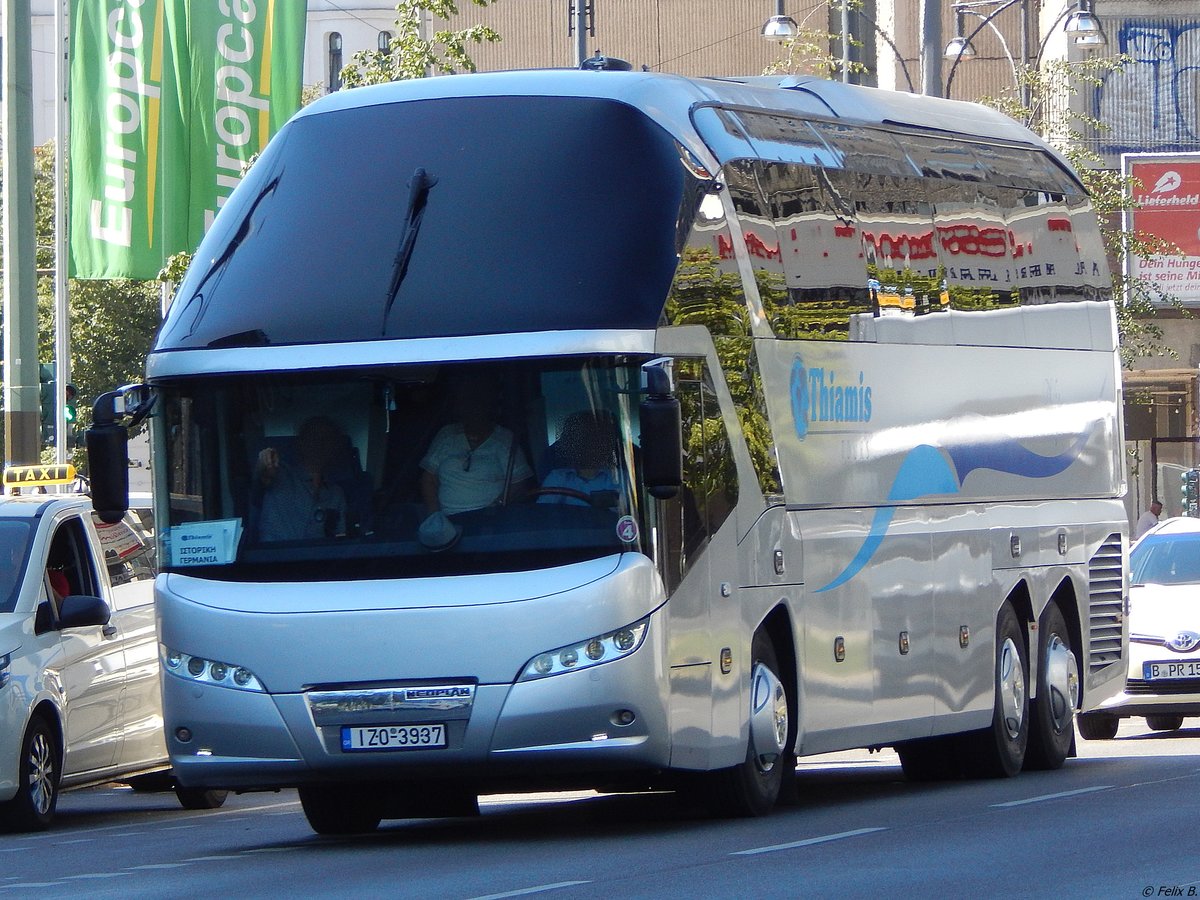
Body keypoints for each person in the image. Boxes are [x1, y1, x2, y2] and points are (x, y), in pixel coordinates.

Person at [419, 377, 533, 518]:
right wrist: (435, 517)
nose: (473, 408)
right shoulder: (447, 435)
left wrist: (495, 508)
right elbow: (428, 479)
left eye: (478, 401)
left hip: (490, 524)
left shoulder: (505, 439)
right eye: (467, 401)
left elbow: (519, 485)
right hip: (448, 524)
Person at [256, 416, 348, 542]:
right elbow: (264, 475)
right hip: (274, 558)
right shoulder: (280, 474)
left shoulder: (336, 494)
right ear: (301, 443)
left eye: (327, 440)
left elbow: (341, 539)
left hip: (321, 560)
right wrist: (265, 461)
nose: (320, 445)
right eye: (315, 439)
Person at [538, 410, 622, 508]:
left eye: (593, 439)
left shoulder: (621, 478)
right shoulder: (557, 477)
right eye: (580, 439)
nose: (587, 445)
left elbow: (624, 517)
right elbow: (544, 514)